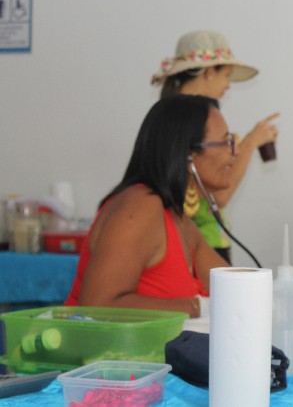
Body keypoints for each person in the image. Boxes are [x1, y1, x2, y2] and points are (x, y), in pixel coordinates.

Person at [65, 95, 232, 318]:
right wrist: (198, 307)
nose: (234, 152)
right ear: (188, 155)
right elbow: (98, 307)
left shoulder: (178, 219)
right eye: (225, 142)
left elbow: (234, 289)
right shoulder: (139, 207)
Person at [151, 30, 279, 262]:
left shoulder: (170, 118)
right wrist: (251, 143)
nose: (228, 86)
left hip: (194, 242)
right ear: (209, 72)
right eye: (226, 75)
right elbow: (219, 197)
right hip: (199, 246)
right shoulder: (187, 123)